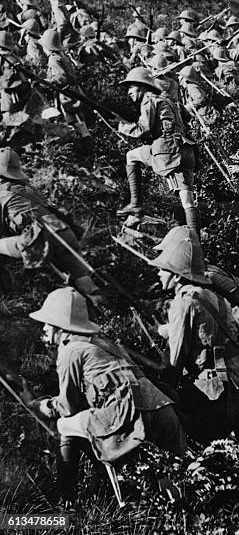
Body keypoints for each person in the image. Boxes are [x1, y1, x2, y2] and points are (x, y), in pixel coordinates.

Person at [27, 287, 187, 502]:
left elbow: (67, 408)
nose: (44, 329)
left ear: (61, 328)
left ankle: (66, 500)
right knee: (174, 485)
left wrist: (40, 405)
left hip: (131, 417)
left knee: (64, 426)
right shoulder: (103, 342)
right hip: (163, 411)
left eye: (48, 323)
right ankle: (180, 515)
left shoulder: (71, 351)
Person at [148, 235, 239, 508]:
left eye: (162, 268)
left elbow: (176, 358)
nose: (158, 272)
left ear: (176, 272)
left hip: (219, 385)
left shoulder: (183, 302)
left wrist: (164, 384)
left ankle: (218, 507)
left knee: (199, 440)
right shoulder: (214, 295)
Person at [0, 147, 101, 301]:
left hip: (40, 238)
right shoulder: (27, 188)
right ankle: (110, 311)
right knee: (84, 281)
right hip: (63, 231)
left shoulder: (2, 192)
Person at [116, 67, 200, 235]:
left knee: (130, 156)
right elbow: (186, 118)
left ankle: (136, 205)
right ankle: (196, 243)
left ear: (142, 86)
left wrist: (121, 126)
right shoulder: (169, 100)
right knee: (188, 200)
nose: (129, 93)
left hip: (168, 152)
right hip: (186, 149)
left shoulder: (148, 99)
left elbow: (143, 128)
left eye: (131, 87)